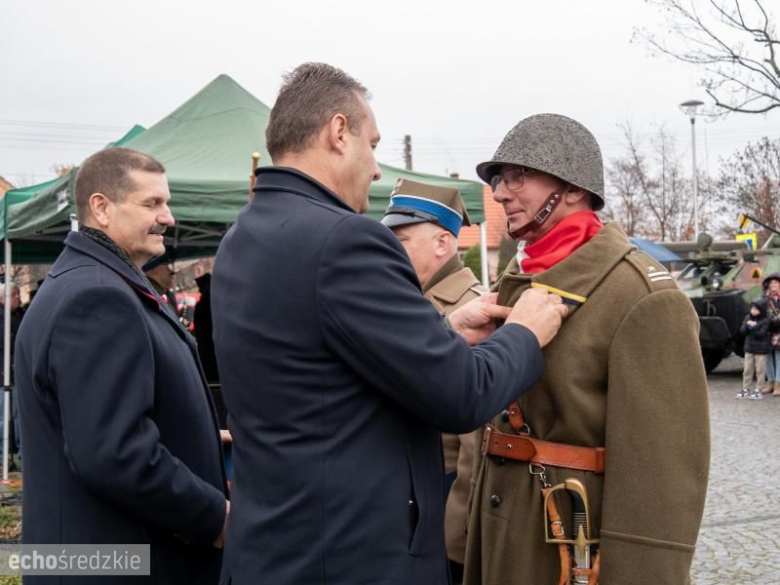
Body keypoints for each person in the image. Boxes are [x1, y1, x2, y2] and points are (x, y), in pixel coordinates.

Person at [211, 63, 566, 585]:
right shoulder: (345, 240)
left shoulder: (244, 235)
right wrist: (525, 333)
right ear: (338, 133)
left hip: (273, 550)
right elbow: (460, 396)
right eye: (372, 144)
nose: (376, 169)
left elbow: (323, 368)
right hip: (352, 558)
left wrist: (446, 334)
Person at [464, 114, 711, 585]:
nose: (499, 192)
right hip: (505, 538)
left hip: (568, 550)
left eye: (517, 175)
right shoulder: (518, 281)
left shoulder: (641, 297)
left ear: (573, 189)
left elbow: (662, 482)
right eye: (498, 179)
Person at [14, 147, 228, 585]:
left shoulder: (99, 283)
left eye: (166, 203)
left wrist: (203, 434)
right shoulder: (97, 297)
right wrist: (215, 518)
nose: (167, 217)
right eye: (152, 203)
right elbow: (114, 454)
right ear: (101, 208)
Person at [381, 178, 483, 583]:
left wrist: (455, 542)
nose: (389, 250)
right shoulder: (407, 301)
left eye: (401, 240)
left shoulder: (472, 311)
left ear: (443, 244)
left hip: (439, 514)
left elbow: (475, 446)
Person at [0, 281, 24, 459]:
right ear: (2, 299)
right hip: (4, 375)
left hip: (17, 374)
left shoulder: (20, 315)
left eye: (18, 294)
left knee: (18, 416)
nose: (19, 297)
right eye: (14, 295)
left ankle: (17, 451)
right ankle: (4, 452)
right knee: (4, 415)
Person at [738, 298, 771, 399]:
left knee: (760, 371)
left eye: (756, 309)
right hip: (749, 348)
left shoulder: (766, 320)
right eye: (752, 308)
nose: (753, 311)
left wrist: (753, 328)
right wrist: (747, 326)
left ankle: (758, 389)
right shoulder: (748, 317)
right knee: (747, 370)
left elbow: (761, 334)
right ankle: (746, 389)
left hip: (761, 350)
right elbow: (742, 332)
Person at [763, 272, 780, 396]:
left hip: (779, 330)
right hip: (767, 330)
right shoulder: (765, 298)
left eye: (776, 282)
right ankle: (770, 381)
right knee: (767, 356)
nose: (773, 285)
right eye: (771, 282)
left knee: (779, 357)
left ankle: (778, 384)